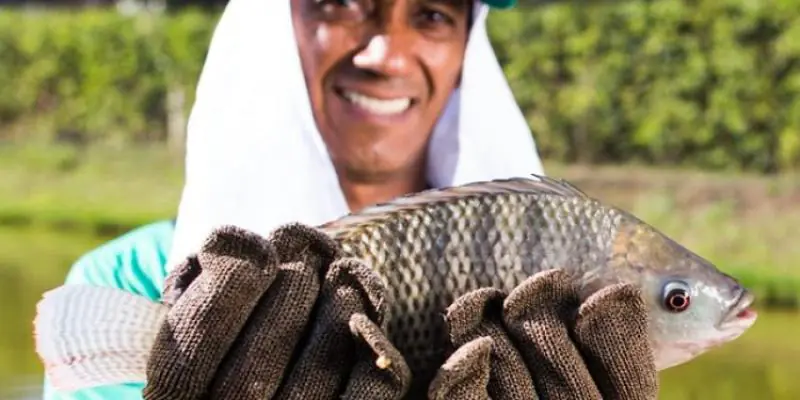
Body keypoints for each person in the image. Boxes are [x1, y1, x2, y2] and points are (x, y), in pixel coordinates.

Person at [41, 0, 658, 399]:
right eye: (340, 4)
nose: (386, 55)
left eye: (433, 14)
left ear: (469, 43)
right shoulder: (129, 279)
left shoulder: (549, 273)